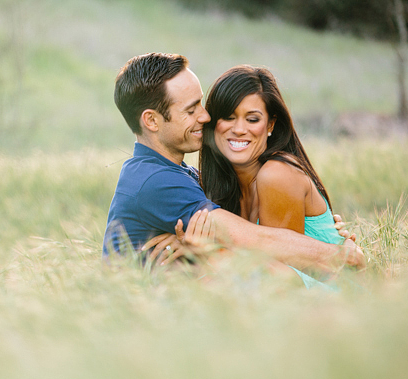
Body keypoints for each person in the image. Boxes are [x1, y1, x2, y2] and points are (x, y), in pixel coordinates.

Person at [102, 52, 365, 273]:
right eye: (191, 110)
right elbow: (255, 241)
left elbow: (255, 245)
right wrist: (342, 254)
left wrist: (326, 237)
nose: (206, 116)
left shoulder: (186, 175)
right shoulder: (156, 181)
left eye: (201, 104)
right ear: (151, 121)